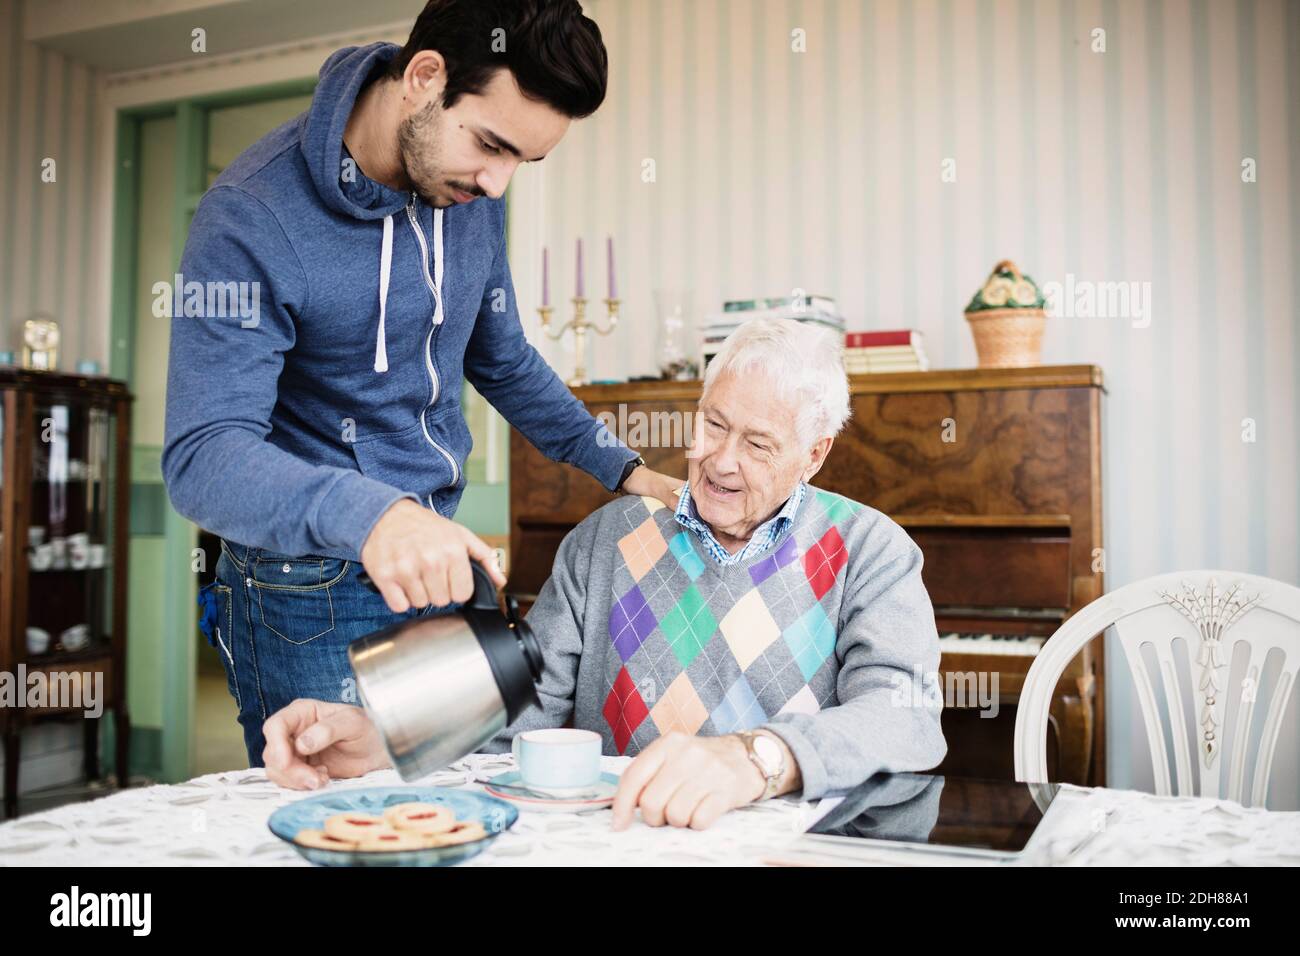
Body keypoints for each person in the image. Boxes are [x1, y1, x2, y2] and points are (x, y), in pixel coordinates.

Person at [163, 0, 678, 764]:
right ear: (425, 78)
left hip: (438, 559)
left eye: (522, 163)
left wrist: (624, 467)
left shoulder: (461, 190)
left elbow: (500, 358)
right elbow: (202, 455)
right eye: (492, 145)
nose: (498, 185)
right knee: (348, 824)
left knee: (449, 805)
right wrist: (379, 518)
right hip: (307, 588)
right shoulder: (250, 216)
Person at [262, 319, 947, 831]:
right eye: (713, 425)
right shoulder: (608, 538)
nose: (720, 461)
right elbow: (526, 703)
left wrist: (754, 759)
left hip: (789, 850)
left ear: (815, 453)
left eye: (759, 444)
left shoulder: (870, 549)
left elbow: (906, 716)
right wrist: (391, 736)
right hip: (622, 840)